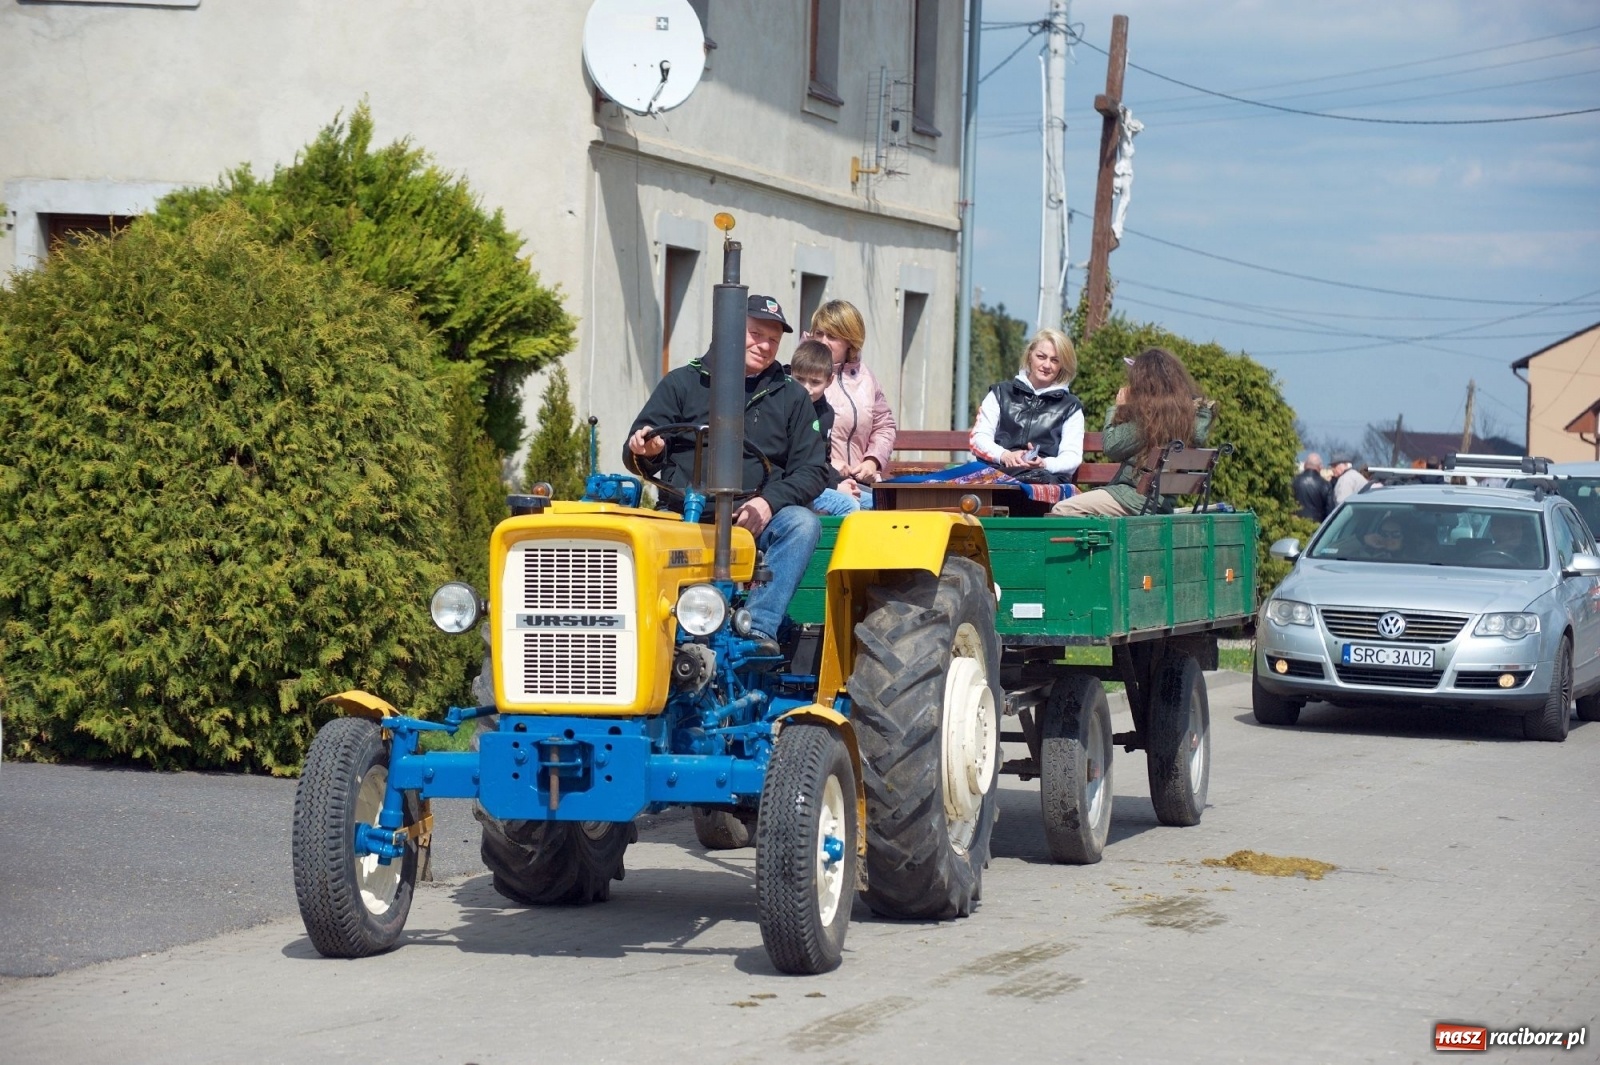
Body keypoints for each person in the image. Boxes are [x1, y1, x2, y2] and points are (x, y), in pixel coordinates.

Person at [626, 294, 830, 651]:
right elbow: (640, 447)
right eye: (756, 334)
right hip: (681, 515)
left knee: (802, 523)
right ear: (730, 332)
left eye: (773, 340)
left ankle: (757, 628)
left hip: (753, 520)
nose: (764, 346)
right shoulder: (682, 384)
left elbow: (813, 470)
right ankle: (638, 632)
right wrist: (648, 451)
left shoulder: (791, 397)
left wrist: (769, 502)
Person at [1049, 347, 1215, 516]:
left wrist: (1118, 408)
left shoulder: (1152, 421)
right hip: (1160, 502)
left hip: (1135, 499)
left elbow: (1111, 447)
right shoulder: (1187, 417)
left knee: (1062, 509)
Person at [806, 300, 896, 506]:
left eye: (832, 336)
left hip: (861, 481)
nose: (823, 341)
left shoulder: (867, 378)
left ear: (850, 341)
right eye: (818, 333)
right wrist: (828, 466)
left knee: (896, 509)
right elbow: (800, 436)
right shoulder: (803, 374)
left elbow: (884, 426)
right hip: (822, 481)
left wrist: (872, 462)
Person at [969, 328, 1084, 484]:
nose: (1047, 365)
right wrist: (1005, 455)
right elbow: (978, 438)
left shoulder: (1071, 406)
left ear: (1062, 366)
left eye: (1055, 360)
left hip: (1042, 479)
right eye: (1041, 357)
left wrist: (1044, 463)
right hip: (998, 473)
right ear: (1030, 355)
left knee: (1034, 484)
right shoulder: (1000, 393)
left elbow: (1072, 457)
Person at [787, 339, 859, 516]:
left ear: (829, 380)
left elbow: (822, 459)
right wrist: (835, 486)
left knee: (874, 501)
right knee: (849, 506)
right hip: (797, 486)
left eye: (814, 382)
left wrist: (839, 480)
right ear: (790, 374)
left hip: (820, 481)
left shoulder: (826, 414)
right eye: (800, 379)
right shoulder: (785, 407)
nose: (806, 389)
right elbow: (795, 464)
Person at [1292, 452, 1333, 522]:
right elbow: (1329, 510)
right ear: (1320, 467)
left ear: (1305, 465)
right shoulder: (1326, 485)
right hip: (1317, 527)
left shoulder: (1293, 481)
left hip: (1295, 524)